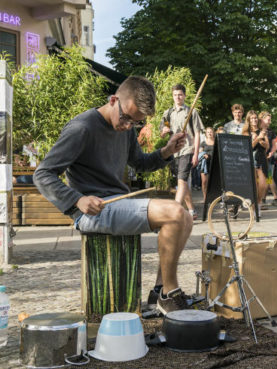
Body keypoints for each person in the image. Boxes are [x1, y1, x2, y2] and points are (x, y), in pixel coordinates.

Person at [33, 76, 192, 314]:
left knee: (186, 218)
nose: (128, 126)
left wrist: (167, 150)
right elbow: (42, 174)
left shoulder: (125, 128)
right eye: (127, 118)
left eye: (135, 123)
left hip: (118, 203)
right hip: (90, 211)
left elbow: (139, 162)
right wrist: (77, 199)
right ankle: (170, 293)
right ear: (114, 99)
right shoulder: (82, 128)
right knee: (175, 212)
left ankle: (160, 290)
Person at [159, 84, 204, 220]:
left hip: (187, 149)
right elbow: (163, 132)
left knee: (182, 180)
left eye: (180, 94)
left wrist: (196, 153)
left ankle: (175, 210)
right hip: (174, 151)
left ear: (184, 96)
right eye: (175, 95)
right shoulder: (168, 113)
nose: (177, 97)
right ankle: (191, 210)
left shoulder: (191, 112)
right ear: (172, 96)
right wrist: (164, 131)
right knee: (181, 183)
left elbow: (197, 134)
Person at [242, 110, 268, 213]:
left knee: (263, 185)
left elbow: (267, 146)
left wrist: (261, 140)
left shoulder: (262, 130)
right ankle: (253, 206)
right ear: (248, 120)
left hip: (261, 159)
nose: (254, 120)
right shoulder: (245, 132)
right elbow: (248, 147)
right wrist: (257, 139)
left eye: (256, 118)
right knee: (252, 185)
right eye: (252, 118)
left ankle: (258, 202)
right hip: (250, 160)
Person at [260, 111, 277, 206]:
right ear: (262, 119)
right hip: (258, 158)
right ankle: (264, 198)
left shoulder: (271, 132)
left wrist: (271, 153)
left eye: (270, 119)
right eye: (268, 119)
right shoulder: (257, 130)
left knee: (268, 178)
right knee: (266, 179)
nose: (270, 121)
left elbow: (274, 145)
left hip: (268, 159)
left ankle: (271, 198)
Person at [199, 127, 215, 201]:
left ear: (213, 133)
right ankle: (205, 197)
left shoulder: (216, 142)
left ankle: (212, 197)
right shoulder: (203, 143)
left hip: (214, 163)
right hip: (205, 164)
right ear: (206, 133)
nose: (209, 133)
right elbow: (200, 152)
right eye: (208, 132)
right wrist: (203, 154)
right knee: (204, 182)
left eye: (211, 132)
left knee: (212, 182)